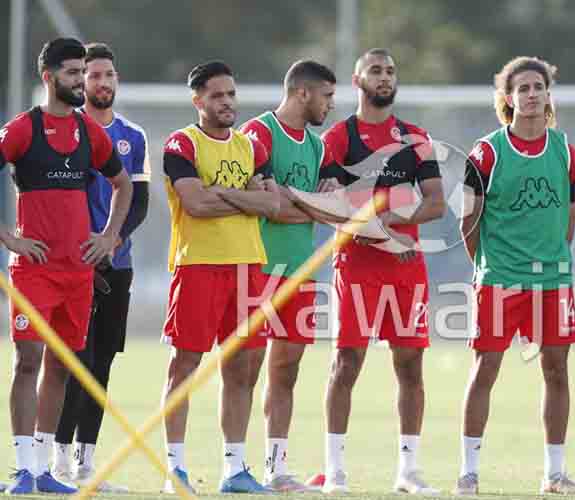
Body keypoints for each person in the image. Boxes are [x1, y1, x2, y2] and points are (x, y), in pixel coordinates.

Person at [0, 38, 133, 495]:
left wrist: (109, 236)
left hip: (77, 274)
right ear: (48, 77)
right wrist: (10, 238)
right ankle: (23, 469)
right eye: (73, 73)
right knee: (27, 362)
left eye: (83, 72)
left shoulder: (89, 132)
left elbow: (123, 184)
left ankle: (43, 470)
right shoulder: (22, 130)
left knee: (61, 364)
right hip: (33, 272)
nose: (81, 81)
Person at [457, 56, 575, 496]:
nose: (532, 95)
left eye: (539, 87)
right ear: (508, 98)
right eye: (523, 88)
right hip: (500, 280)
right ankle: (468, 473)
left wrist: (552, 260)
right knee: (485, 370)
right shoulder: (487, 153)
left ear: (548, 95)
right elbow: (468, 222)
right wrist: (488, 267)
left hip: (552, 282)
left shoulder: (565, 152)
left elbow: (569, 220)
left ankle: (555, 474)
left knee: (557, 372)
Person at [318, 48, 446, 494]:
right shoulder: (338, 138)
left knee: (410, 365)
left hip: (406, 267)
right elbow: (328, 205)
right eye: (375, 70)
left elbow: (436, 202)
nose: (385, 77)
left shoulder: (416, 138)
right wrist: (375, 229)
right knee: (346, 363)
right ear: (357, 80)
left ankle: (408, 471)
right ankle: (335, 469)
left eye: (390, 71)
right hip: (356, 266)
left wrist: (391, 220)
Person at [220, 59, 338, 492]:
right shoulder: (259, 133)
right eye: (327, 96)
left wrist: (295, 199)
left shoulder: (319, 147)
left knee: (287, 370)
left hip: (301, 271)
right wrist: (308, 204)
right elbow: (267, 205)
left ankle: (276, 468)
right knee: (244, 369)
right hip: (257, 267)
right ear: (303, 93)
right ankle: (234, 466)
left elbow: (334, 210)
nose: (330, 105)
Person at [160, 61, 275, 494]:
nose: (227, 102)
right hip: (198, 266)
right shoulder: (182, 144)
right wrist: (245, 198)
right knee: (185, 365)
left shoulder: (251, 147)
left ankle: (235, 469)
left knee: (242, 367)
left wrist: (222, 193)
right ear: (198, 101)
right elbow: (196, 205)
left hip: (248, 265)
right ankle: (175, 470)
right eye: (217, 95)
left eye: (231, 94)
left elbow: (272, 205)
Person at [50, 42, 149, 493]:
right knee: (75, 359)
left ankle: (85, 464)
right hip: (72, 266)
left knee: (102, 363)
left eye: (109, 75)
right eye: (93, 75)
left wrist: (113, 241)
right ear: (79, 81)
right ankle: (55, 460)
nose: (102, 83)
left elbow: (139, 202)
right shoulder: (65, 132)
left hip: (116, 265)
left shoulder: (134, 136)